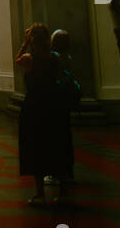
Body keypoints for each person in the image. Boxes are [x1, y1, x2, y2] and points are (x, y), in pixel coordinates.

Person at [16, 22, 72, 206]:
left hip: (35, 107)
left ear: (32, 40)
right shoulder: (54, 57)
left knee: (36, 149)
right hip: (55, 106)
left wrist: (24, 43)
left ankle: (40, 193)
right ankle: (64, 192)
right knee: (58, 147)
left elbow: (16, 61)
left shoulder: (28, 58)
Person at [51, 28, 77, 190]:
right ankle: (68, 171)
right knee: (65, 137)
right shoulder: (68, 58)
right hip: (64, 105)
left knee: (56, 138)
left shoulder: (54, 59)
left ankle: (60, 171)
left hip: (55, 104)